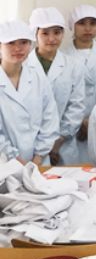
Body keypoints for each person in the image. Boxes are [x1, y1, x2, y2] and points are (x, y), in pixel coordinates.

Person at [26, 7, 86, 166]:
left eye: (57, 32)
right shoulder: (23, 65)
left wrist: (57, 141)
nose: (52, 38)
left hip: (63, 145)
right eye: (45, 33)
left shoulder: (73, 65)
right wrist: (42, 146)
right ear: (35, 34)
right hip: (28, 144)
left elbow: (76, 106)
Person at [61, 5, 96, 164]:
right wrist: (77, 122)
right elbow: (60, 95)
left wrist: (92, 119)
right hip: (69, 128)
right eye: (82, 23)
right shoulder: (62, 56)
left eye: (93, 23)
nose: (88, 28)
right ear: (72, 26)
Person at [0, 21, 58, 165]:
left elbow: (50, 119)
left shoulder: (37, 78)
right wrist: (14, 158)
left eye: (24, 42)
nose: (18, 48)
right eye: (11, 43)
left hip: (40, 162)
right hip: (5, 163)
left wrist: (38, 157)